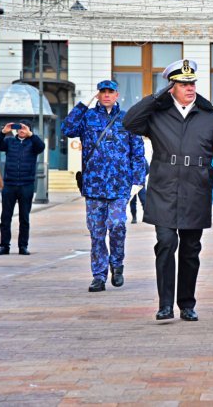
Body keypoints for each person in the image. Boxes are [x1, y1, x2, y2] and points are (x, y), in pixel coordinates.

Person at [124, 58, 213, 322]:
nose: (190, 88)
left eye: (192, 82)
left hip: (196, 189)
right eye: (183, 83)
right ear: (171, 87)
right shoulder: (157, 114)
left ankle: (186, 303)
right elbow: (129, 122)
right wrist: (155, 97)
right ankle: (165, 304)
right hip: (164, 188)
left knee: (190, 248)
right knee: (165, 243)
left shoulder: (211, 117)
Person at [62, 79, 147, 293]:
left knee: (117, 224)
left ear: (117, 95)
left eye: (111, 92)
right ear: (98, 95)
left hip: (120, 184)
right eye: (103, 92)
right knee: (97, 232)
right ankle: (98, 275)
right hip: (94, 185)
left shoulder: (127, 118)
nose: (107, 95)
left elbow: (137, 151)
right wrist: (82, 105)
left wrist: (138, 180)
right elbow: (67, 129)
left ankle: (117, 264)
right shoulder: (87, 117)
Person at [0, 120, 46, 255]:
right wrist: (3, 132)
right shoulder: (9, 142)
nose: (21, 130)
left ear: (29, 130)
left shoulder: (33, 142)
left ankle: (23, 246)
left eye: (24, 128)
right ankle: (4, 246)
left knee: (24, 218)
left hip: (26, 185)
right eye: (19, 128)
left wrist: (31, 135)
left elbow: (41, 147)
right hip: (10, 184)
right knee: (5, 218)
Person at [129, 159, 149, 224]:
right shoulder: (129, 159)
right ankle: (134, 217)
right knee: (133, 201)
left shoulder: (142, 159)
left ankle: (146, 217)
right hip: (131, 184)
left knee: (144, 200)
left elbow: (147, 169)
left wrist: (141, 176)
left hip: (140, 184)